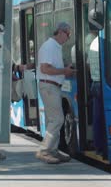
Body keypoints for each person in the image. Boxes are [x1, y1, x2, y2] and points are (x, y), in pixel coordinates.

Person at [35, 22, 75, 164]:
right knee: (57, 119)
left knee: (54, 119)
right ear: (60, 32)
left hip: (52, 86)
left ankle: (53, 150)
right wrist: (64, 71)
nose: (68, 38)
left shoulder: (54, 46)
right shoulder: (50, 46)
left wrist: (65, 68)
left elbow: (51, 68)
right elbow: (45, 69)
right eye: (68, 34)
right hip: (49, 86)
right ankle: (44, 150)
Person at [88, 35, 105, 155]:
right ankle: (103, 146)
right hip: (102, 84)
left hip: (95, 82)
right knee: (103, 117)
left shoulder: (93, 42)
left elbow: (88, 64)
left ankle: (98, 146)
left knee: (98, 117)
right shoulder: (103, 42)